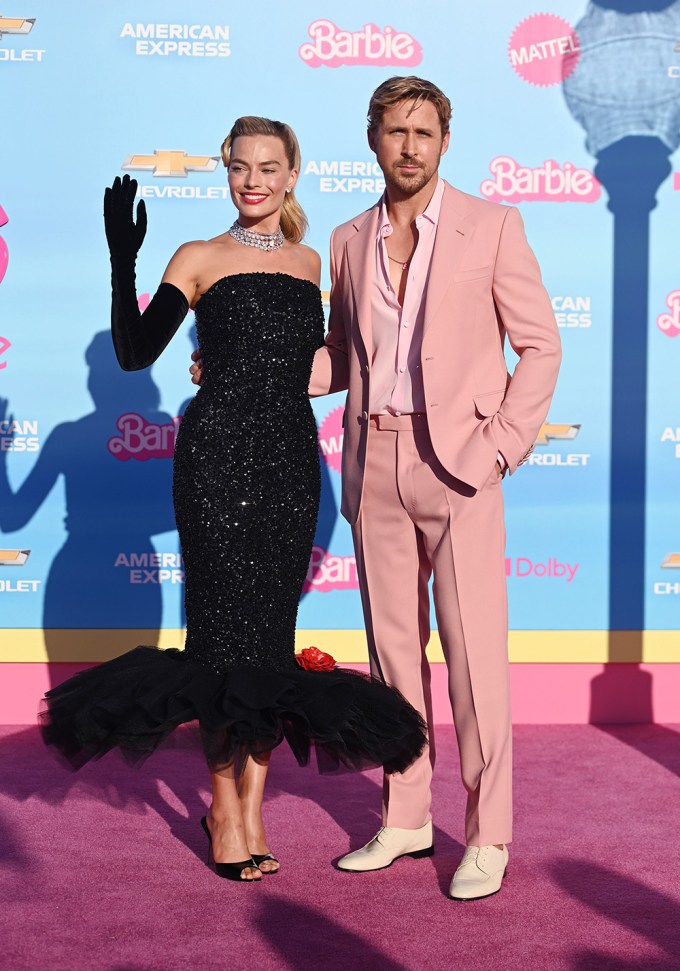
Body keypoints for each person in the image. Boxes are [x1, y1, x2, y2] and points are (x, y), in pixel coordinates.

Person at [193, 78, 561, 900]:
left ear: (444, 140)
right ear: (373, 140)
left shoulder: (493, 226)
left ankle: (489, 833)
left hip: (460, 464)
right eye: (396, 131)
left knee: (474, 662)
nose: (411, 146)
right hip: (375, 463)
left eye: (425, 131)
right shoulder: (350, 237)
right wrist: (252, 370)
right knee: (393, 658)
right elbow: (339, 357)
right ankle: (406, 817)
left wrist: (501, 447)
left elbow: (541, 346)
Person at [40, 116, 427, 883]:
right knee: (220, 643)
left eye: (269, 167)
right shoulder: (198, 256)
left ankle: (250, 809)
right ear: (227, 173)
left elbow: (331, 364)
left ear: (291, 176)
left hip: (289, 464)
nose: (253, 180)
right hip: (215, 462)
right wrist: (125, 260)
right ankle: (226, 809)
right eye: (241, 167)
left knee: (267, 646)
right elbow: (133, 351)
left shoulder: (313, 260)